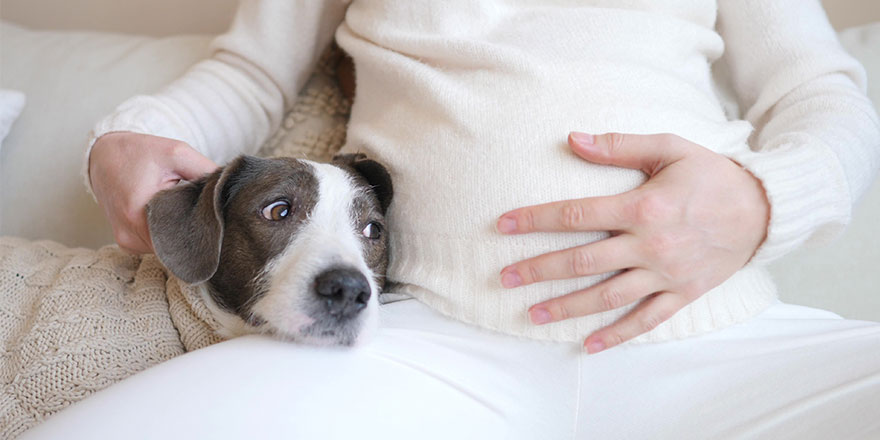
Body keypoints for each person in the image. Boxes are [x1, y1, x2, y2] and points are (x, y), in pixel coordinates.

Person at [72, 0, 879, 437]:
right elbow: (249, 73)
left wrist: (764, 199)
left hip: (721, 342)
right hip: (417, 346)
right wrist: (120, 139)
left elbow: (821, 94)